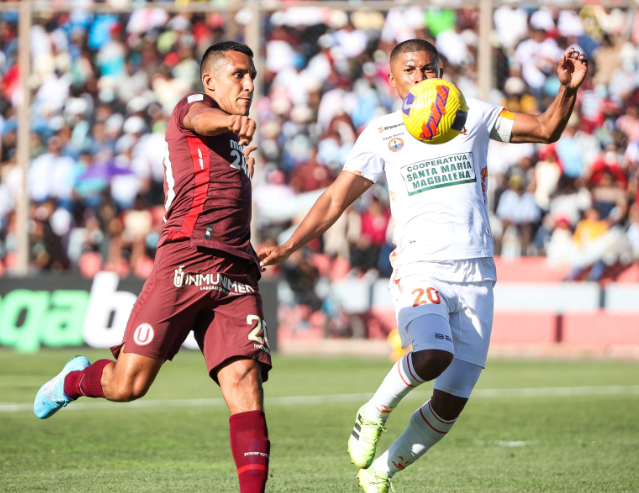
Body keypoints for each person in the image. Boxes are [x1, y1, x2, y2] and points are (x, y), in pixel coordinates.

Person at [259, 39, 588, 492]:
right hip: (420, 266)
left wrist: (566, 90)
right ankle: (373, 411)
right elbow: (336, 197)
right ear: (393, 81)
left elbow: (547, 128)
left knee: (450, 405)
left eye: (429, 68)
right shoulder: (382, 133)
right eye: (410, 70)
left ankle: (380, 474)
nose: (422, 76)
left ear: (442, 71)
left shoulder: (472, 115)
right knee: (432, 355)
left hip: (476, 274)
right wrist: (289, 245)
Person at [34, 41, 272, 493]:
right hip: (186, 259)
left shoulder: (239, 142)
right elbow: (200, 119)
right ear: (210, 81)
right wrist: (230, 121)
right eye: (239, 74)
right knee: (128, 385)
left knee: (245, 384)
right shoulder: (195, 108)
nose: (248, 83)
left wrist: (239, 141)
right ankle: (73, 381)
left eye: (252, 75)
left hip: (236, 269)